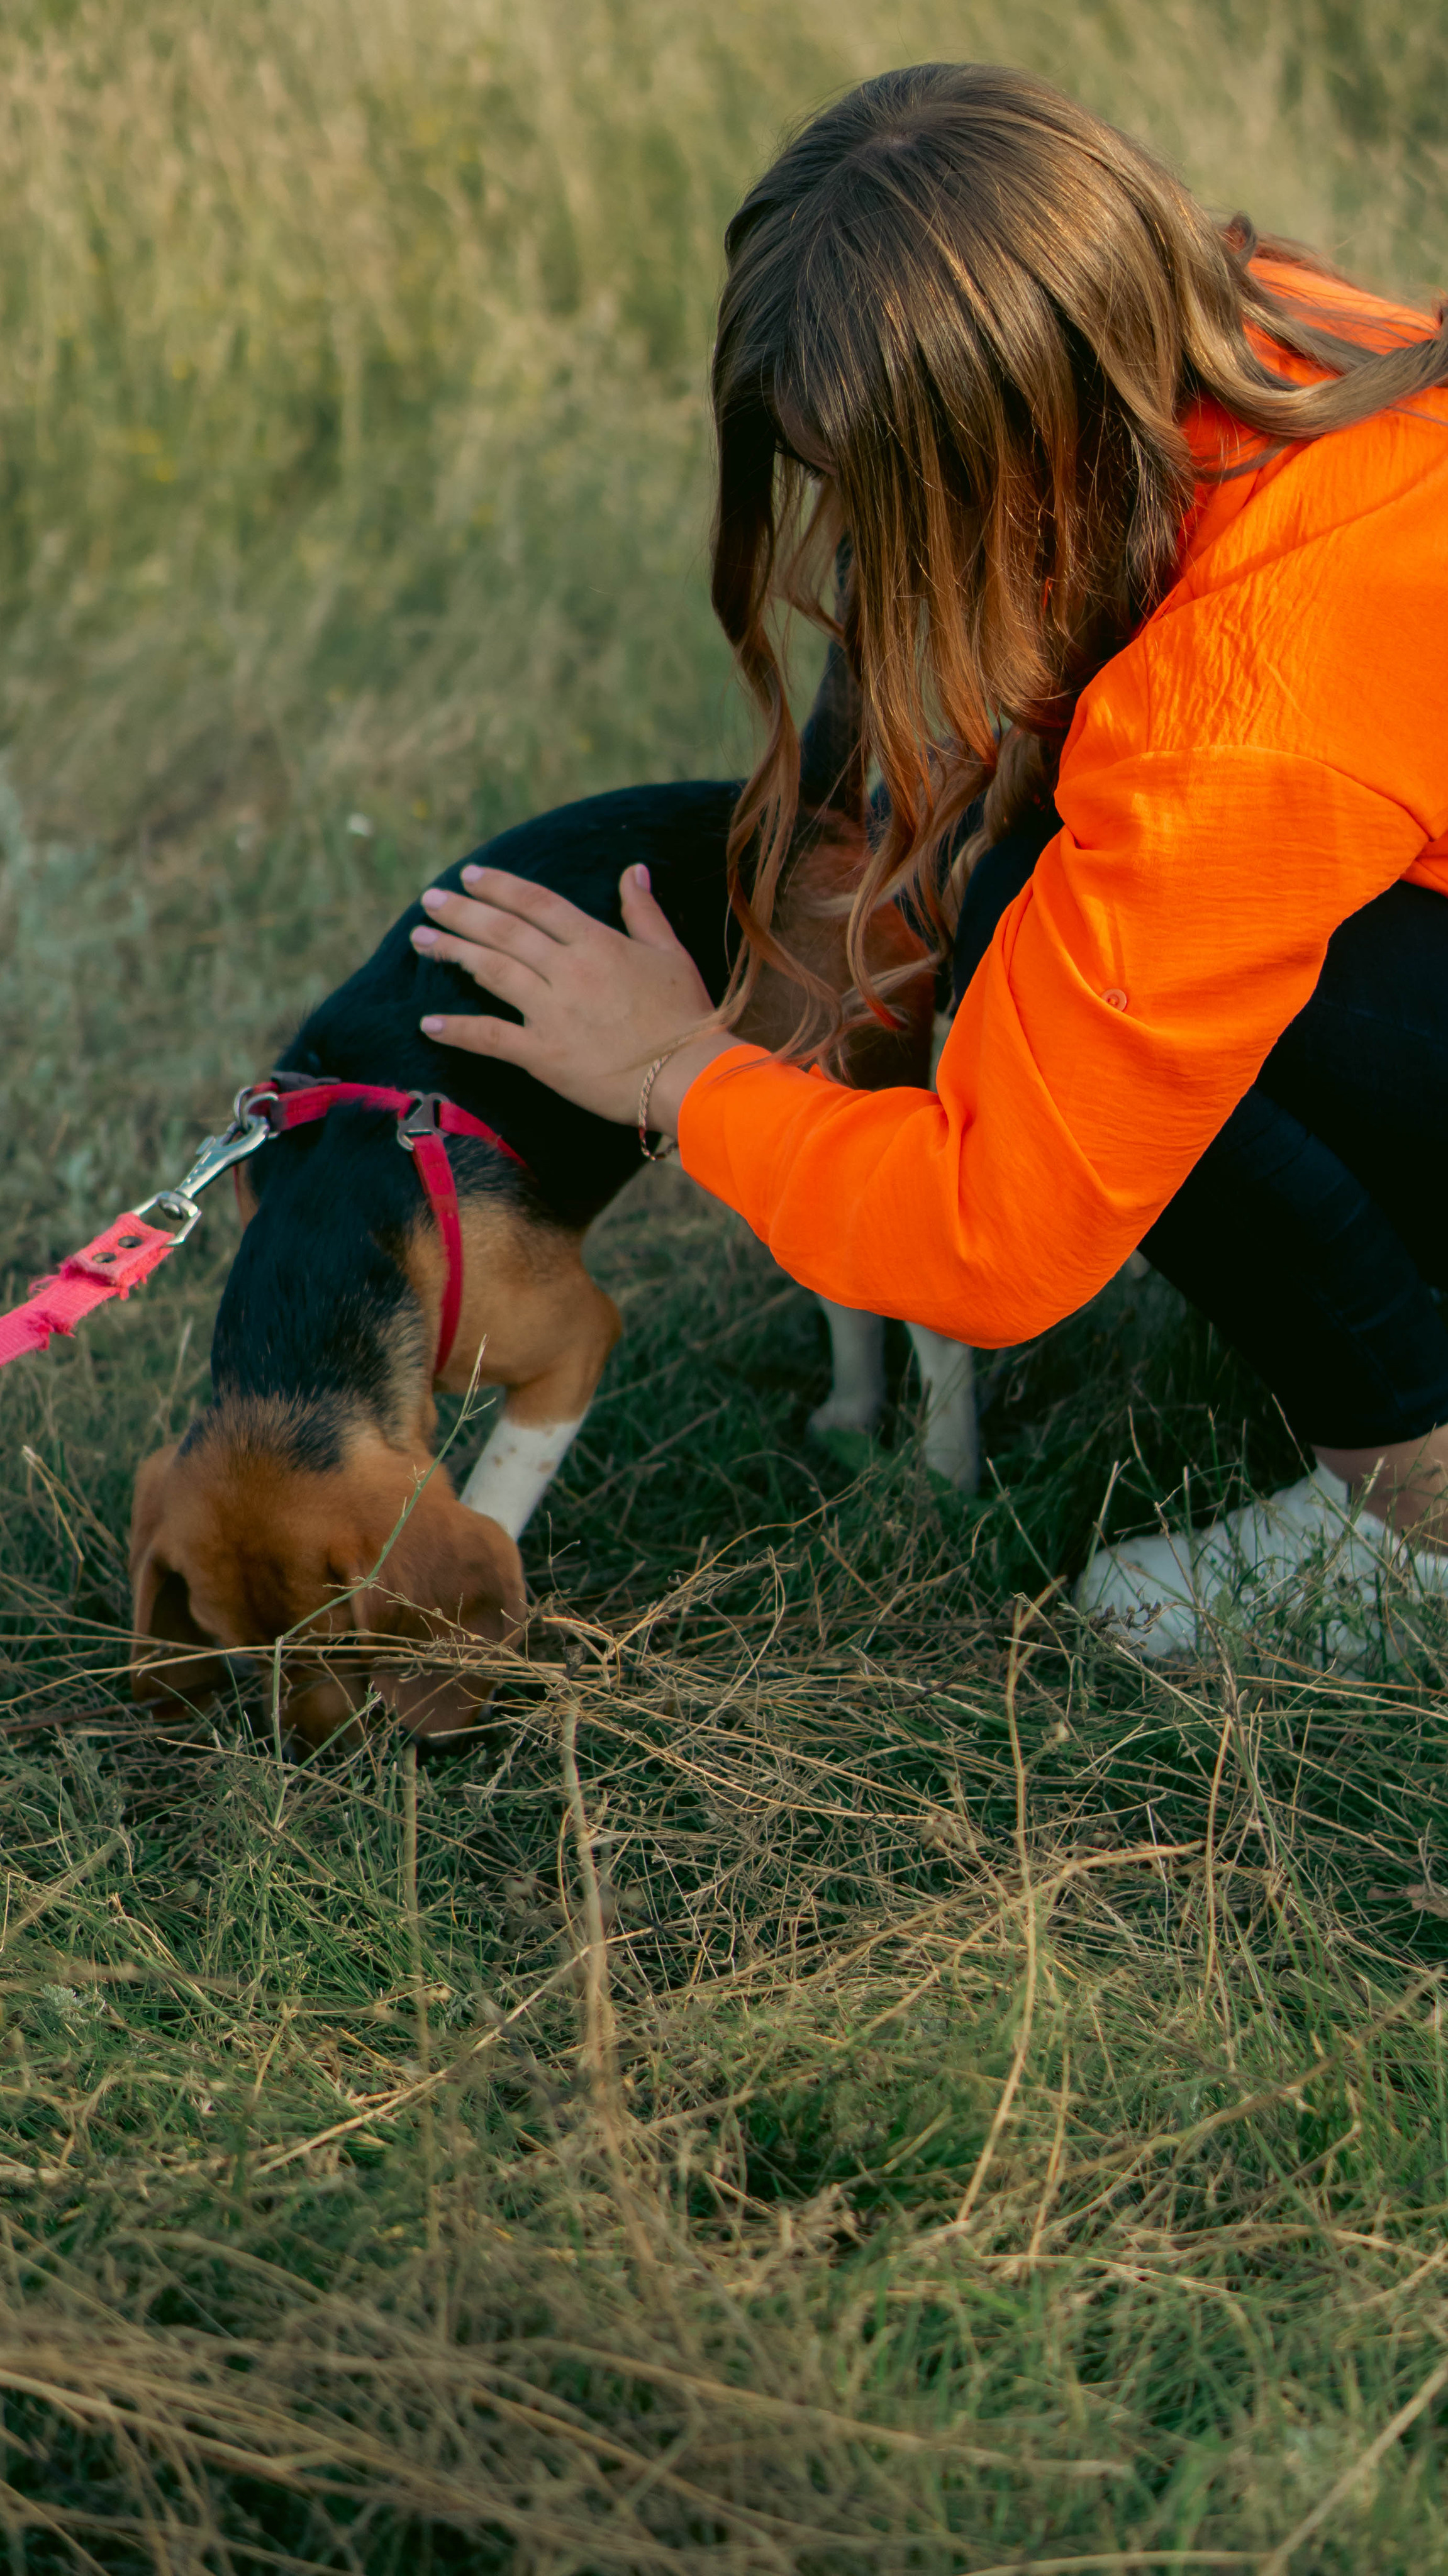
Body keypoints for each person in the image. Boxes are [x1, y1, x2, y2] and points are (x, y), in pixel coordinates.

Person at [406, 62, 1448, 1658]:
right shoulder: (1276, 330)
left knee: (1050, 914)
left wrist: (676, 1068)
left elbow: (990, 1239)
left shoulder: (1220, 734)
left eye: (880, 494)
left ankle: (1415, 1517)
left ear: (1007, 462)